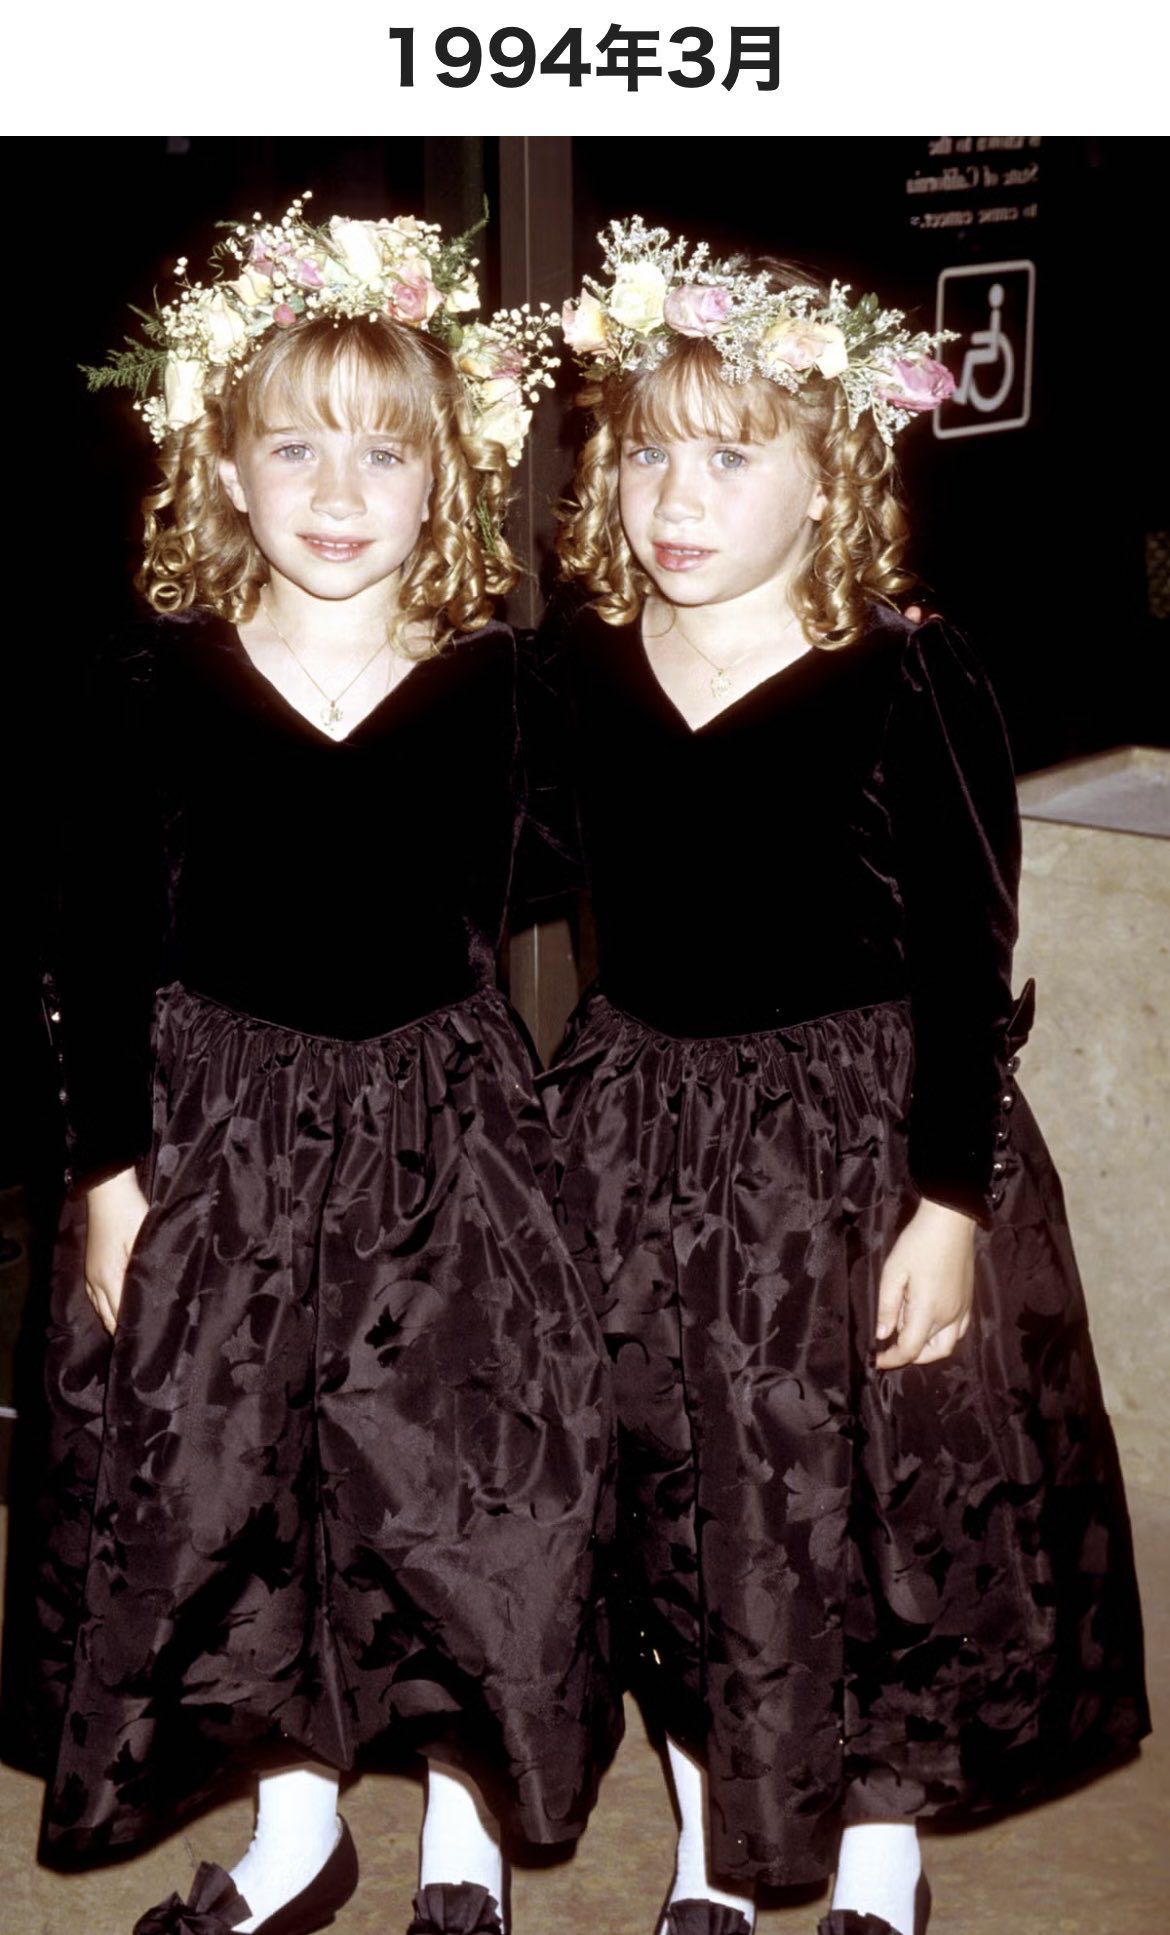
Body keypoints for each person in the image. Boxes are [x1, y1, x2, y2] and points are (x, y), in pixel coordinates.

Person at [10, 196, 619, 1935]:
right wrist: (108, 1179)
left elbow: (666, 888)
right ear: (223, 466)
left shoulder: (515, 689)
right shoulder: (150, 682)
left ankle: (461, 1829)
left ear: (446, 481)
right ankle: (297, 1824)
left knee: (459, 1482)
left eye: (381, 453)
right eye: (294, 447)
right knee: (240, 1484)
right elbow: (94, 947)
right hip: (217, 1139)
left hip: (449, 1140)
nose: (337, 492)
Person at [534, 218, 1150, 1935]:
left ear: (828, 480)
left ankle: (880, 1849)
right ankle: (710, 1842)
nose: (675, 498)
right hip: (638, 1135)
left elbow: (964, 960)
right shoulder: (577, 665)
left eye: (730, 459)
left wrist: (946, 1205)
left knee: (877, 1506)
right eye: (645, 453)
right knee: (671, 1499)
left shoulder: (905, 669)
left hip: (857, 1144)